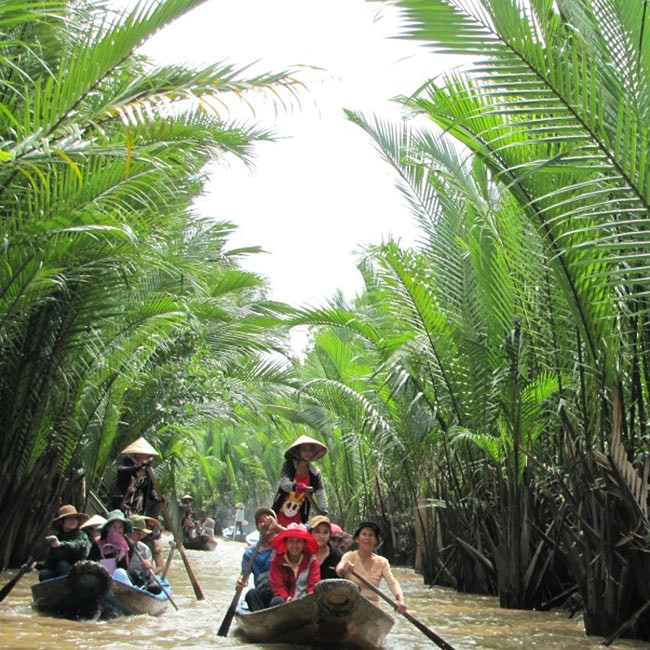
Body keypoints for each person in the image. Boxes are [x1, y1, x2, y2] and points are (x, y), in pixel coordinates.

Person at [335, 521, 407, 613]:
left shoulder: (382, 562)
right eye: (364, 534)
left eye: (371, 535)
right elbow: (339, 569)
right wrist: (344, 569)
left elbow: (392, 583)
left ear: (375, 541)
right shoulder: (349, 556)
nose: (367, 538)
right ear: (357, 539)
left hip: (373, 607)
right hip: (351, 605)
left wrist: (400, 600)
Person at [271, 435, 329, 526]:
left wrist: (324, 511)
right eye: (304, 450)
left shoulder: (315, 473)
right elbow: (284, 483)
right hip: (279, 513)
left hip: (298, 517)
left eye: (310, 450)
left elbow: (320, 493)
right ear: (298, 451)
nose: (307, 453)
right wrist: (295, 486)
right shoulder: (289, 466)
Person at [237, 507, 284, 611]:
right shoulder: (249, 553)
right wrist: (241, 581)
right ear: (257, 527)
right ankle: (263, 622)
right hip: (262, 594)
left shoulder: (284, 546)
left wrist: (278, 527)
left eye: (268, 520)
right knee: (251, 594)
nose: (264, 524)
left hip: (281, 595)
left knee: (277, 601)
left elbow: (299, 538)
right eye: (260, 522)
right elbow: (244, 575)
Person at [269, 522, 320, 606]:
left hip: (305, 604)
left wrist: (304, 601)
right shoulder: (277, 561)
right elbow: (277, 586)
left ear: (304, 544)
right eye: (291, 541)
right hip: (284, 603)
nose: (295, 545)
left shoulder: (312, 561)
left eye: (299, 541)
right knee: (276, 601)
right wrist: (288, 599)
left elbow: (313, 586)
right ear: (286, 542)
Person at [110, 436, 161, 517]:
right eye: (145, 454)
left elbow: (149, 488)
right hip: (122, 501)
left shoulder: (146, 470)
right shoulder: (127, 462)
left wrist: (157, 498)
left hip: (136, 506)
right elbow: (122, 471)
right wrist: (138, 467)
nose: (147, 457)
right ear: (137, 454)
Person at [36, 505, 91, 581]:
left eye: (75, 518)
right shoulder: (57, 538)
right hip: (62, 572)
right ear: (62, 522)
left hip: (78, 571)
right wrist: (35, 564)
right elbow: (50, 563)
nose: (73, 521)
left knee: (62, 564)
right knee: (44, 574)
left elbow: (76, 545)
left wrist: (60, 544)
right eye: (69, 518)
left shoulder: (81, 535)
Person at [124, 515, 162, 594]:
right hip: (121, 579)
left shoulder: (144, 549)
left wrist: (147, 569)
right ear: (129, 532)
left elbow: (149, 577)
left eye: (142, 534)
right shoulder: (118, 545)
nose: (140, 536)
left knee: (155, 588)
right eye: (137, 533)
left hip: (137, 582)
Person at [89, 509, 132, 576]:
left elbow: (124, 568)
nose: (117, 530)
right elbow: (90, 562)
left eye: (120, 527)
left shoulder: (128, 545)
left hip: (118, 580)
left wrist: (121, 553)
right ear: (108, 528)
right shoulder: (98, 543)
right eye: (114, 527)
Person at [309, 515, 341, 580]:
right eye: (317, 532)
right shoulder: (302, 553)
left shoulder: (338, 557)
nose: (321, 536)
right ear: (310, 533)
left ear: (330, 535)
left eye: (325, 532)